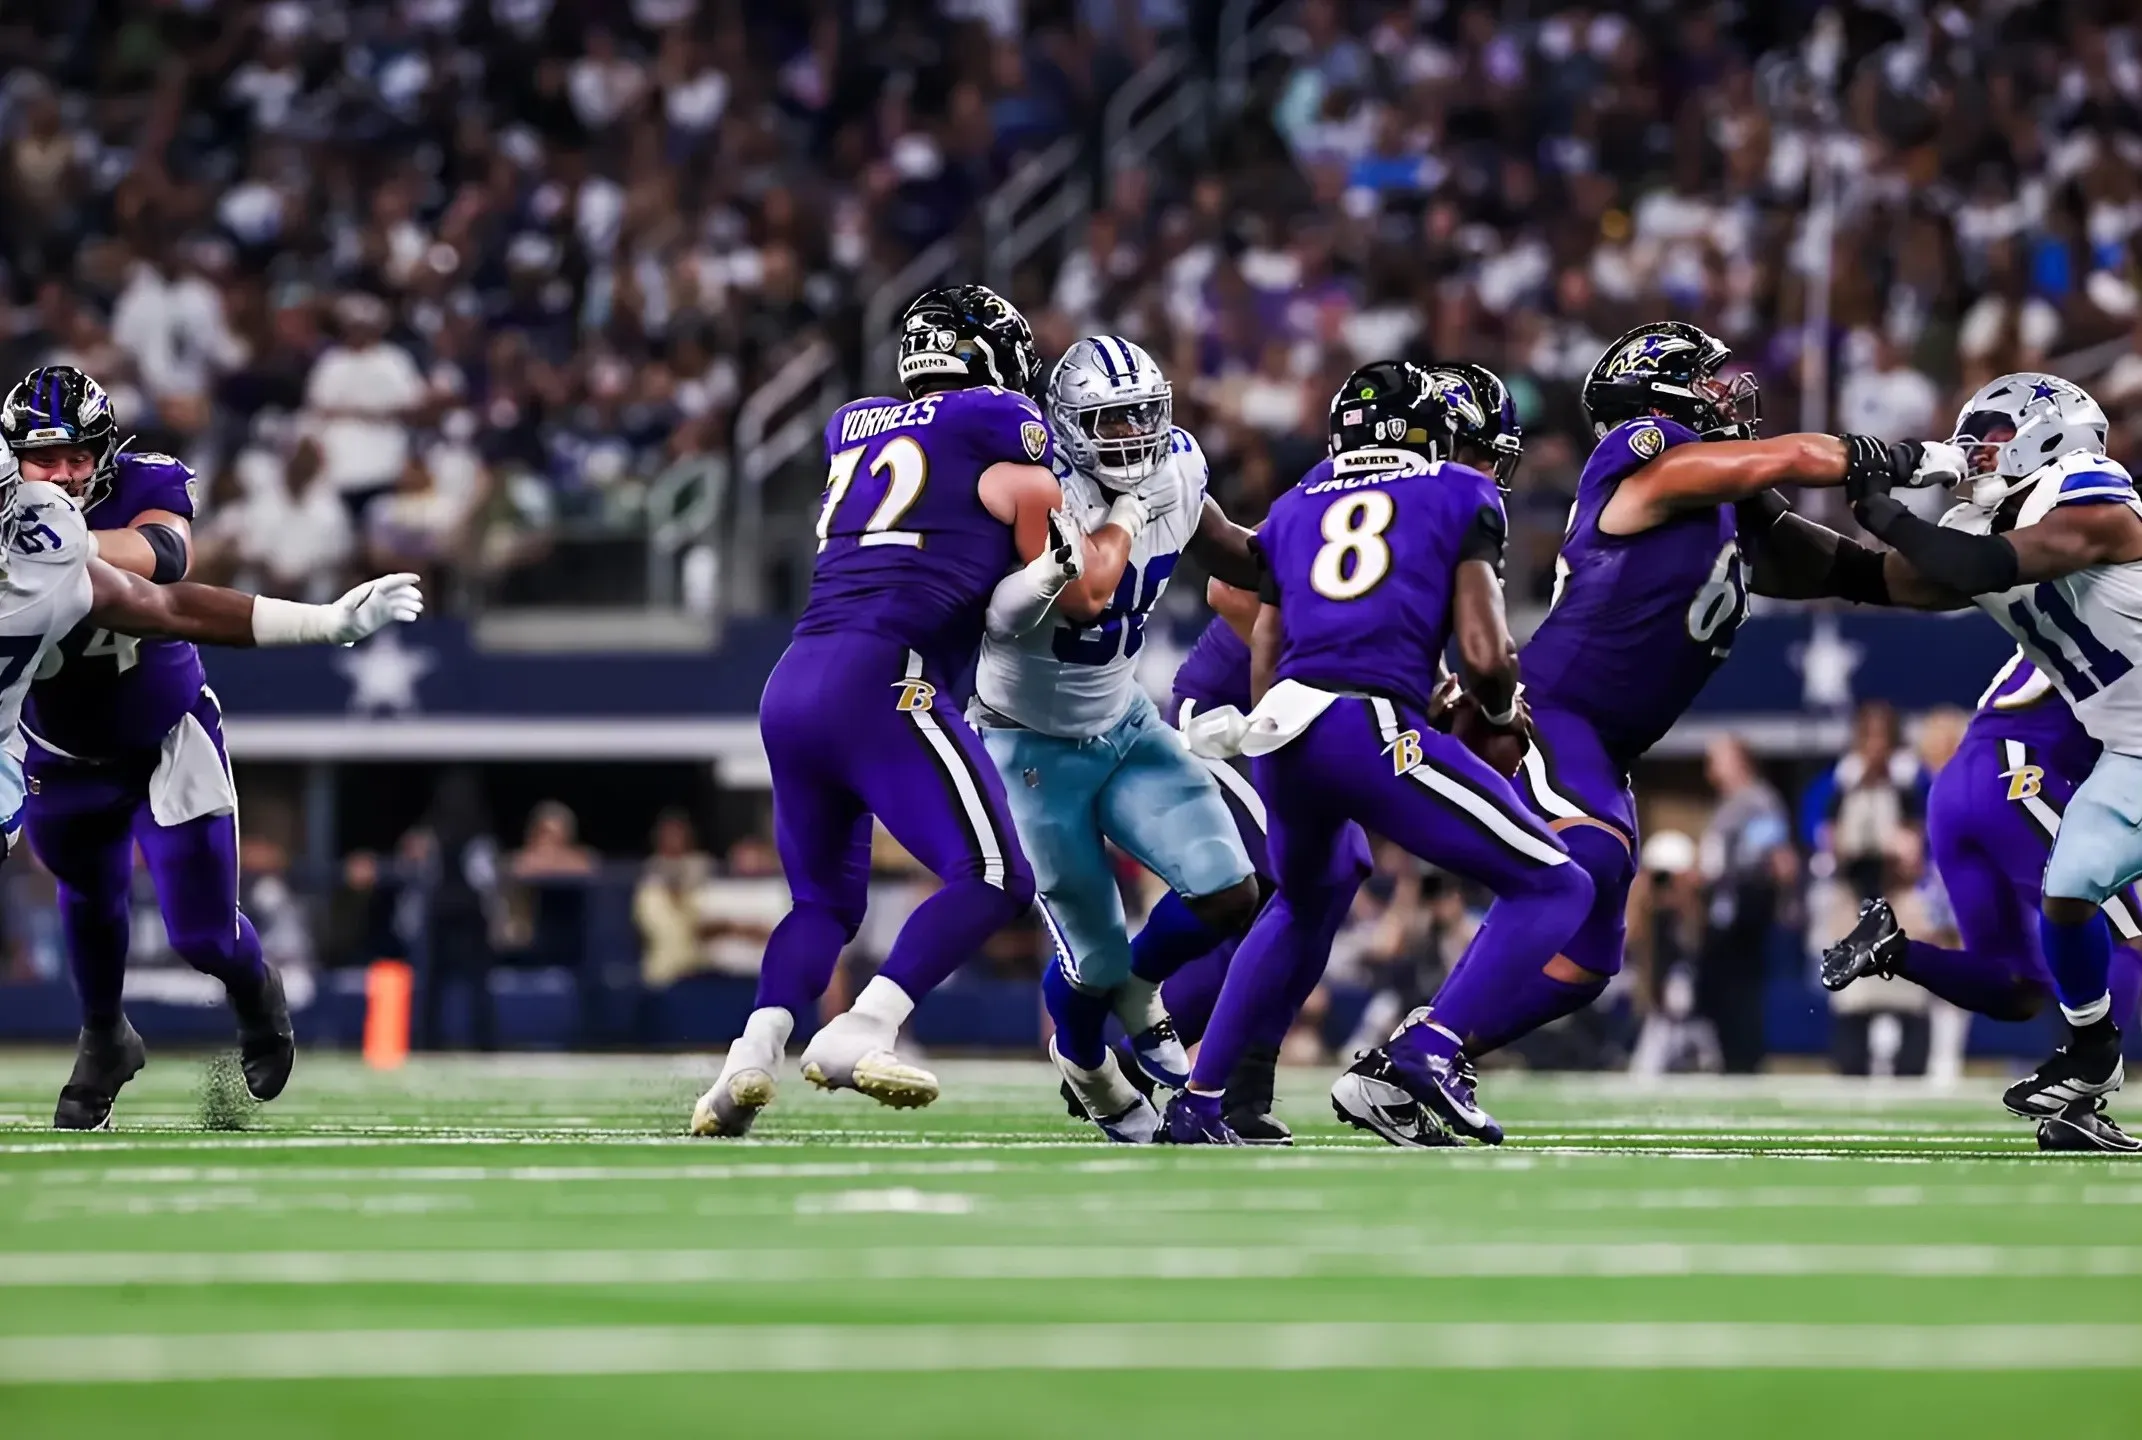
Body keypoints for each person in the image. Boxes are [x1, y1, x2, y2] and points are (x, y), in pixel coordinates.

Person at [1339, 321, 1951, 1142]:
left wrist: (2008, 563)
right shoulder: (1641, 456)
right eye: (1705, 381)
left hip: (1610, 741)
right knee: (1586, 858)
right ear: (1657, 398)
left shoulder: (1733, 517)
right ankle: (1433, 1050)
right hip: (1558, 707)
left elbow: (1881, 578)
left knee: (1587, 962)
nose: (1725, 394)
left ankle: (1406, 1062)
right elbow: (1782, 458)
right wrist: (1914, 458)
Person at [692, 284, 1098, 1137]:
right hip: (887, 673)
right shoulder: (999, 423)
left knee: (821, 907)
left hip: (794, 678)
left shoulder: (853, 423)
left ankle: (747, 1060)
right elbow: (1073, 593)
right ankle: (864, 1027)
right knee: (994, 877)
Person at [1175, 360, 1589, 1146]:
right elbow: (1486, 650)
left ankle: (1199, 1097)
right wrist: (1498, 709)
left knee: (1303, 898)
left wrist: (1283, 731)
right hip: (1366, 724)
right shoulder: (1461, 492)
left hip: (1285, 727)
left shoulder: (1297, 504)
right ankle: (1432, 1048)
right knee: (1556, 884)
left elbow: (1269, 641)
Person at [0, 365, 423, 1130]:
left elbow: (167, 578)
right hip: (46, 750)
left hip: (164, 734)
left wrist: (49, 543)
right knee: (87, 899)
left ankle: (254, 988)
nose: (62, 475)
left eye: (77, 456)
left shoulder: (104, 505)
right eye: (43, 459)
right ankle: (103, 1039)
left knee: (201, 932)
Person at [1779, 373, 2142, 1150]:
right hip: (2129, 752)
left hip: (2054, 756)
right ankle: (2090, 1057)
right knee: (2071, 888)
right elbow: (1866, 577)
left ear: (2054, 438)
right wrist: (1755, 518)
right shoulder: (1990, 523)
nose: (1977, 451)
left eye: (1998, 435)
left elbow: (1979, 569)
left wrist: (1883, 509)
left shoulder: (2097, 505)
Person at [974, 335, 1263, 1144]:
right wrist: (1129, 512)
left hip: (1124, 719)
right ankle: (1084, 1061)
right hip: (1027, 743)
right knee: (1089, 962)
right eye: (1111, 419)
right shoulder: (1042, 488)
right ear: (1065, 426)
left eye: (1144, 412)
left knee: (1229, 889)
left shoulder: (1175, 466)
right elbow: (1087, 597)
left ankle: (1136, 993)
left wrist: (1322, 559)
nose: (1136, 433)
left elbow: (1236, 555)